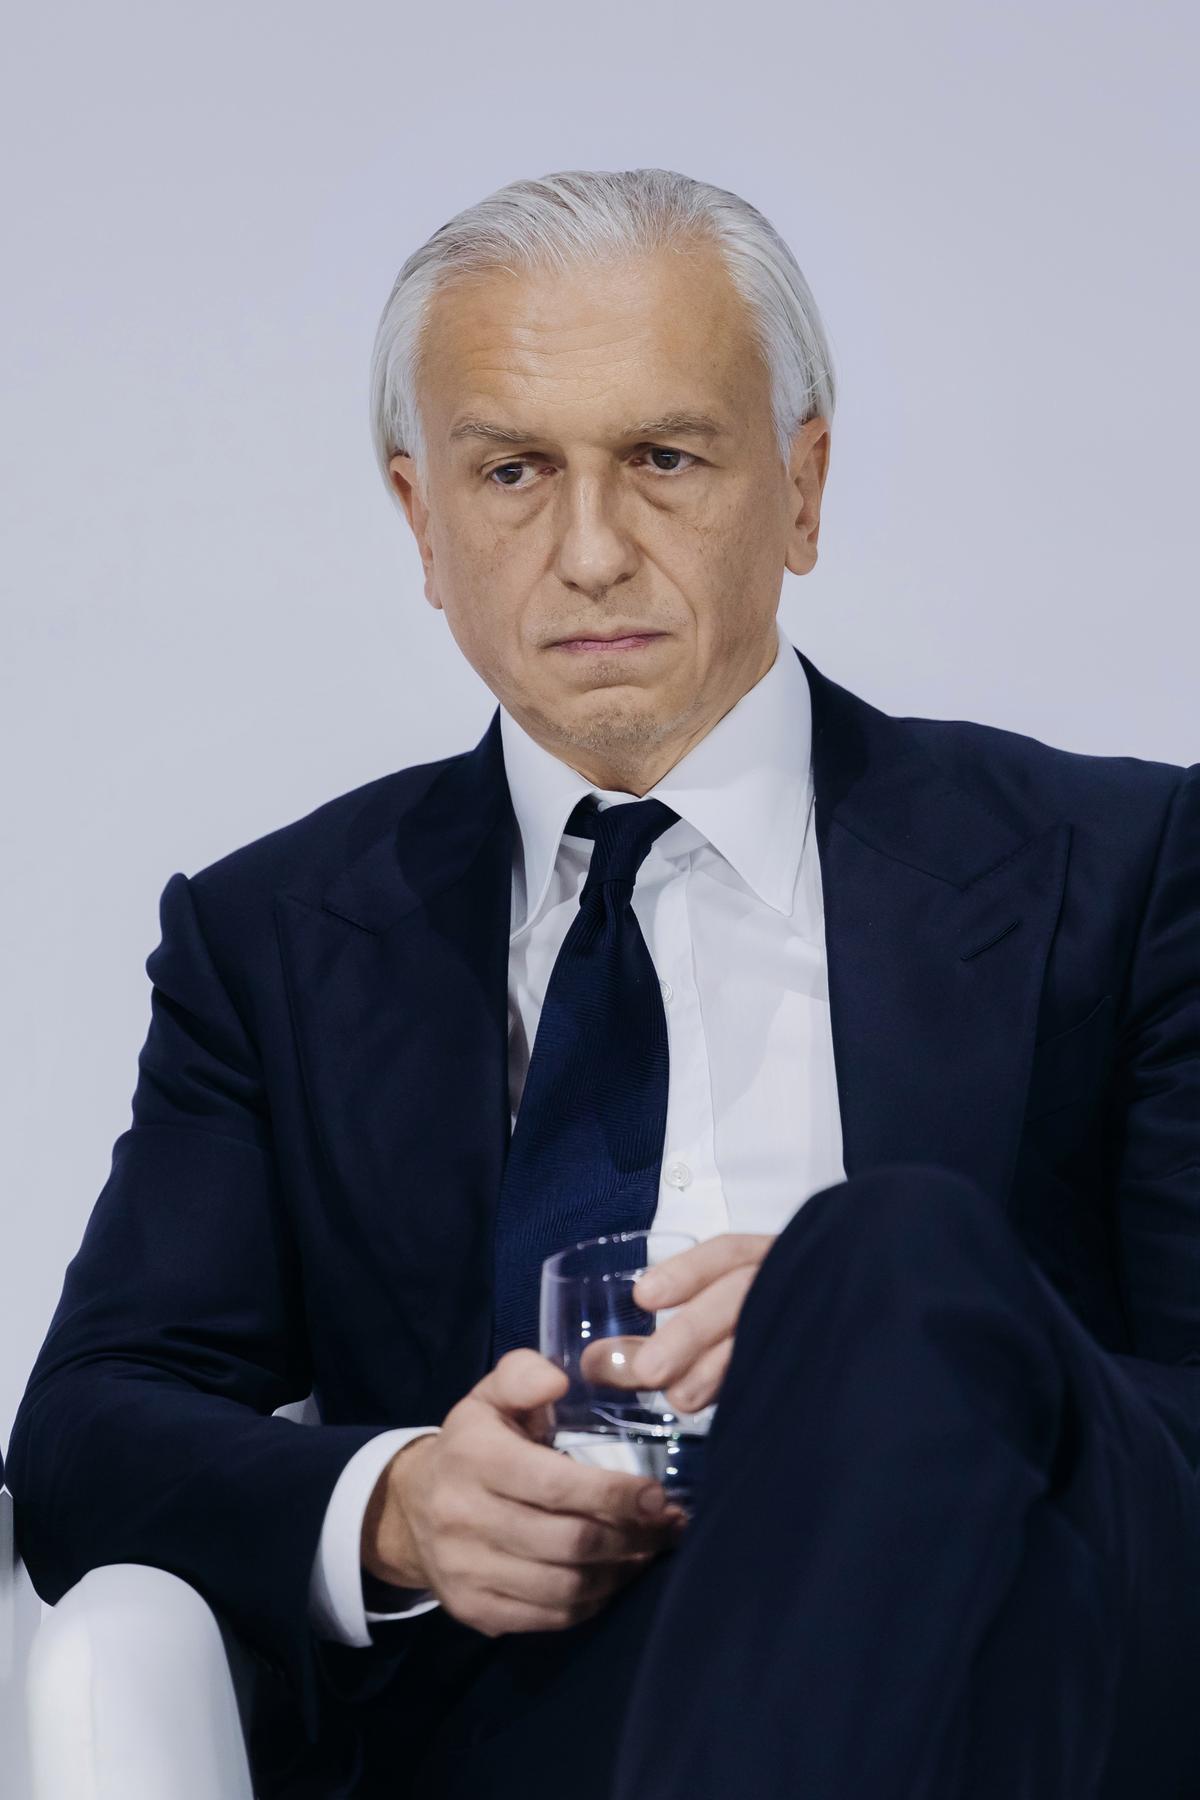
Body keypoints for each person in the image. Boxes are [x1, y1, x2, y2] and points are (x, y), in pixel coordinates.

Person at [6, 168, 1199, 1799]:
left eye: (663, 459)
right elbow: (87, 1432)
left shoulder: (1119, 871)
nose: (589, 553)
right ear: (423, 524)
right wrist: (399, 1506)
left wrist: (901, 1358)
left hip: (1008, 1704)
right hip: (525, 1737)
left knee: (896, 1258)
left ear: (803, 488)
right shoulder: (272, 939)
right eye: (513, 472)